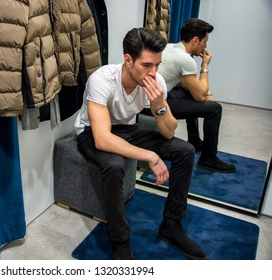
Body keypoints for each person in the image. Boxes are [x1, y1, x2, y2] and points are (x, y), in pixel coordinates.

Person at [74, 27, 206, 260]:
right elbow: (102, 138)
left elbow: (168, 132)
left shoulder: (157, 82)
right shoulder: (102, 79)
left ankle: (172, 225)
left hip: (125, 129)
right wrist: (150, 156)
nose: (153, 72)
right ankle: (120, 241)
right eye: (147, 65)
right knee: (114, 165)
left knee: (185, 150)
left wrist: (159, 106)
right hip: (91, 132)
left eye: (157, 64)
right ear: (127, 60)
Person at [158, 18, 236, 173]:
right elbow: (200, 96)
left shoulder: (170, 47)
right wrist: (205, 66)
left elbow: (188, 85)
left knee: (190, 93)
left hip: (161, 94)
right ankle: (209, 158)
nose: (205, 46)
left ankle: (194, 140)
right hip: (158, 103)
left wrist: (208, 93)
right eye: (204, 42)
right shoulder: (186, 60)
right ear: (195, 40)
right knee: (215, 109)